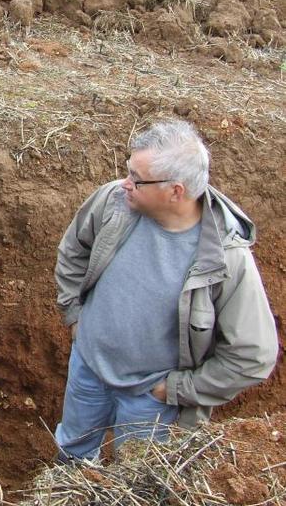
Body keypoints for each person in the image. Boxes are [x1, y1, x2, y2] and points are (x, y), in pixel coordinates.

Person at [53, 119, 278, 461]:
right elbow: (73, 251)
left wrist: (177, 390)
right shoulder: (114, 202)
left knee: (135, 482)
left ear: (176, 191)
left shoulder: (226, 259)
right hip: (88, 368)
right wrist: (74, 316)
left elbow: (253, 355)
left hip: (151, 399)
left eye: (137, 179)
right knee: (72, 453)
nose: (125, 184)